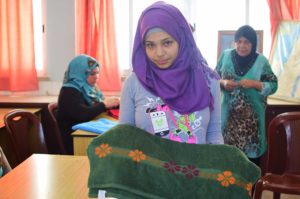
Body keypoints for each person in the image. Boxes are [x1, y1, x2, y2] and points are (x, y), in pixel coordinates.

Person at [119, 1, 224, 145]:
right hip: (148, 167)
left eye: (167, 43)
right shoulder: (134, 83)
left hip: (197, 166)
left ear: (182, 39)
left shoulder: (209, 80)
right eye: (150, 45)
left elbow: (214, 134)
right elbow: (124, 137)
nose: (159, 53)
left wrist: (217, 166)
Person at [215, 25, 278, 164]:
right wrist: (223, 83)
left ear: (253, 43)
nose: (242, 45)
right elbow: (213, 78)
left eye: (247, 42)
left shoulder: (261, 61)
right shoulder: (225, 56)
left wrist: (255, 84)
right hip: (227, 123)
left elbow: (274, 85)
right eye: (239, 41)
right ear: (235, 42)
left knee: (250, 166)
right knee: (227, 165)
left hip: (252, 127)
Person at [57, 54, 120, 154]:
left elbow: (96, 104)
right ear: (80, 73)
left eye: (98, 73)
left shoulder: (88, 87)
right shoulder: (69, 90)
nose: (96, 77)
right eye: (92, 74)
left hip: (83, 134)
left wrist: (116, 103)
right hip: (74, 140)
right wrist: (104, 104)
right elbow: (82, 114)